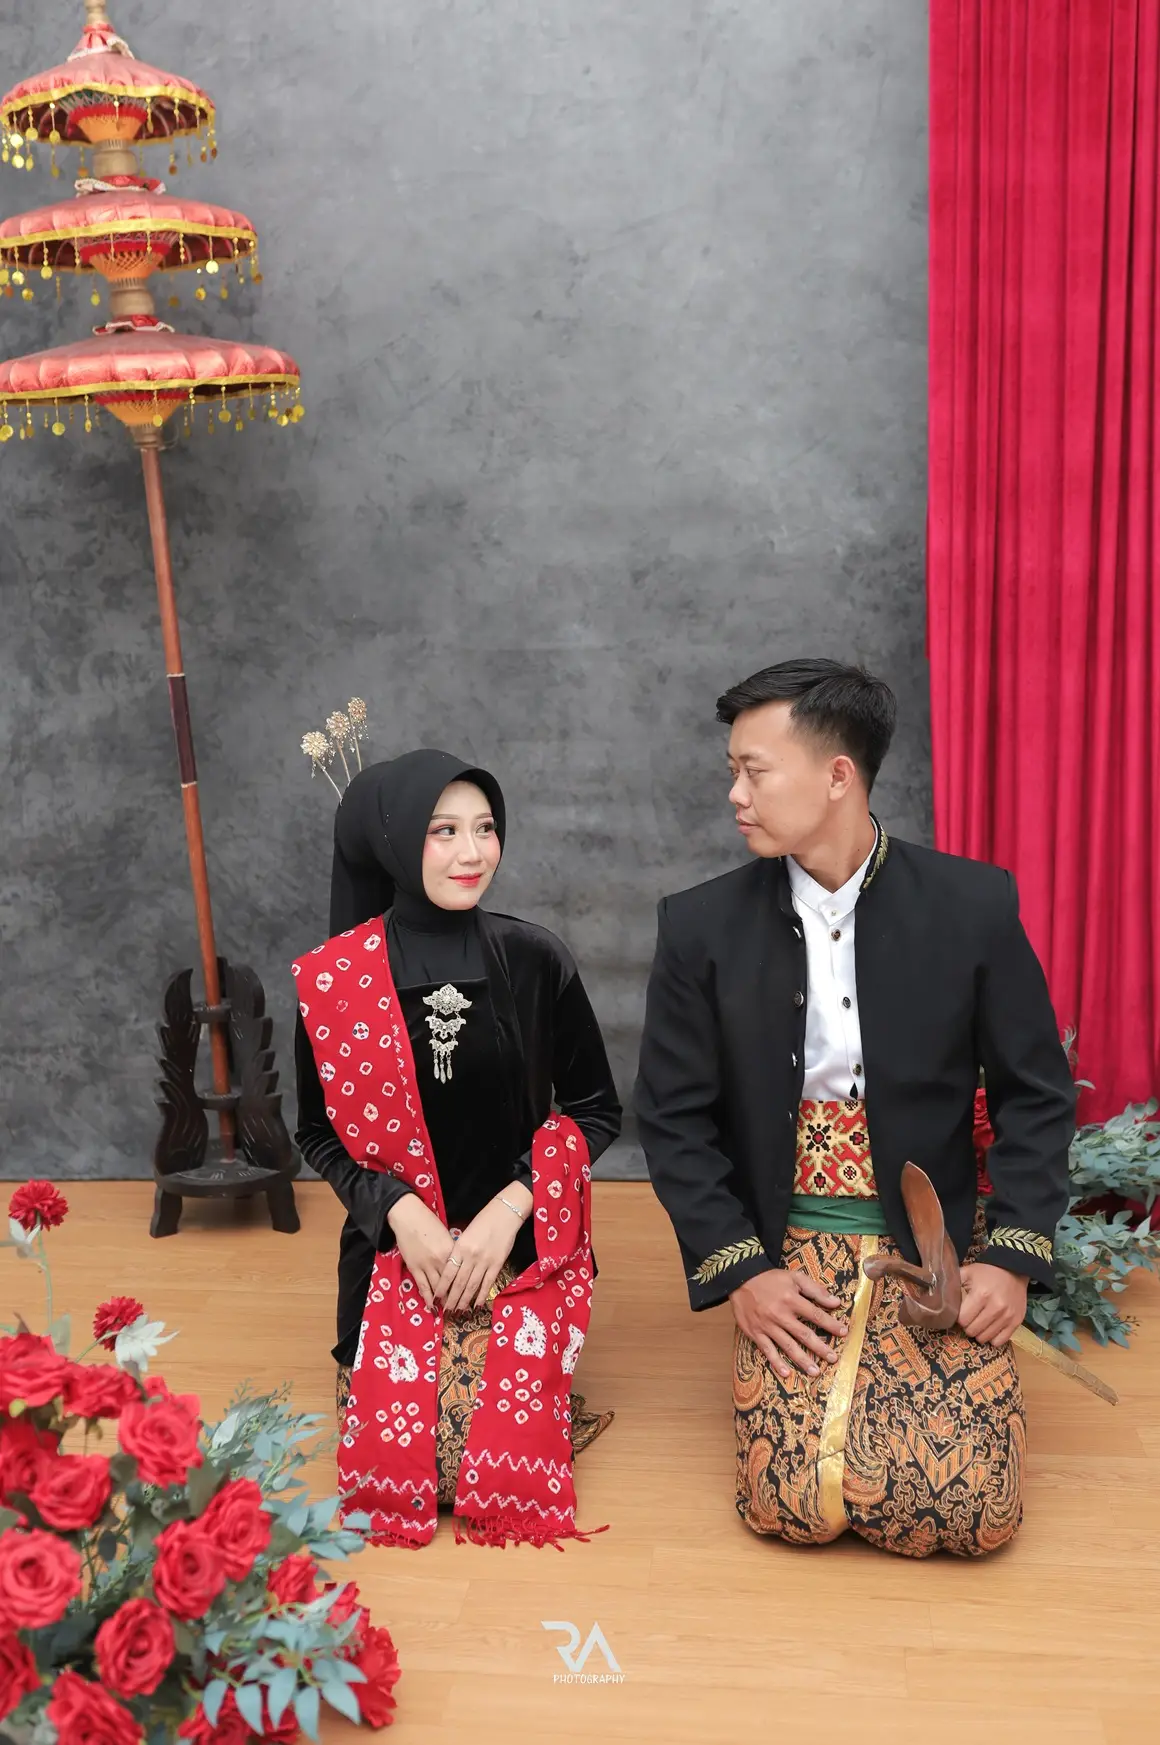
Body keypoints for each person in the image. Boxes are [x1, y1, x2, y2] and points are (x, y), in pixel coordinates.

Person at [635, 659, 1076, 1558]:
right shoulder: (699, 927)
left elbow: (1036, 1092)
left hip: (934, 1241)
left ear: (838, 775)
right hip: (787, 1240)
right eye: (732, 770)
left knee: (971, 1509)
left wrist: (1009, 1257)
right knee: (791, 1503)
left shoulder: (973, 905)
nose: (734, 794)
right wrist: (745, 1275)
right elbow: (672, 1119)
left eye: (754, 771)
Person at [293, 750, 621, 1547]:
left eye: (485, 828)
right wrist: (396, 1209)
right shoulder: (335, 980)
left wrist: (514, 1205)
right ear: (395, 841)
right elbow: (316, 1132)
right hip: (395, 1253)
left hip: (518, 1252)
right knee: (405, 1461)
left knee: (497, 1459)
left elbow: (596, 1110)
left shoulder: (536, 958)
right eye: (443, 831)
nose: (472, 853)